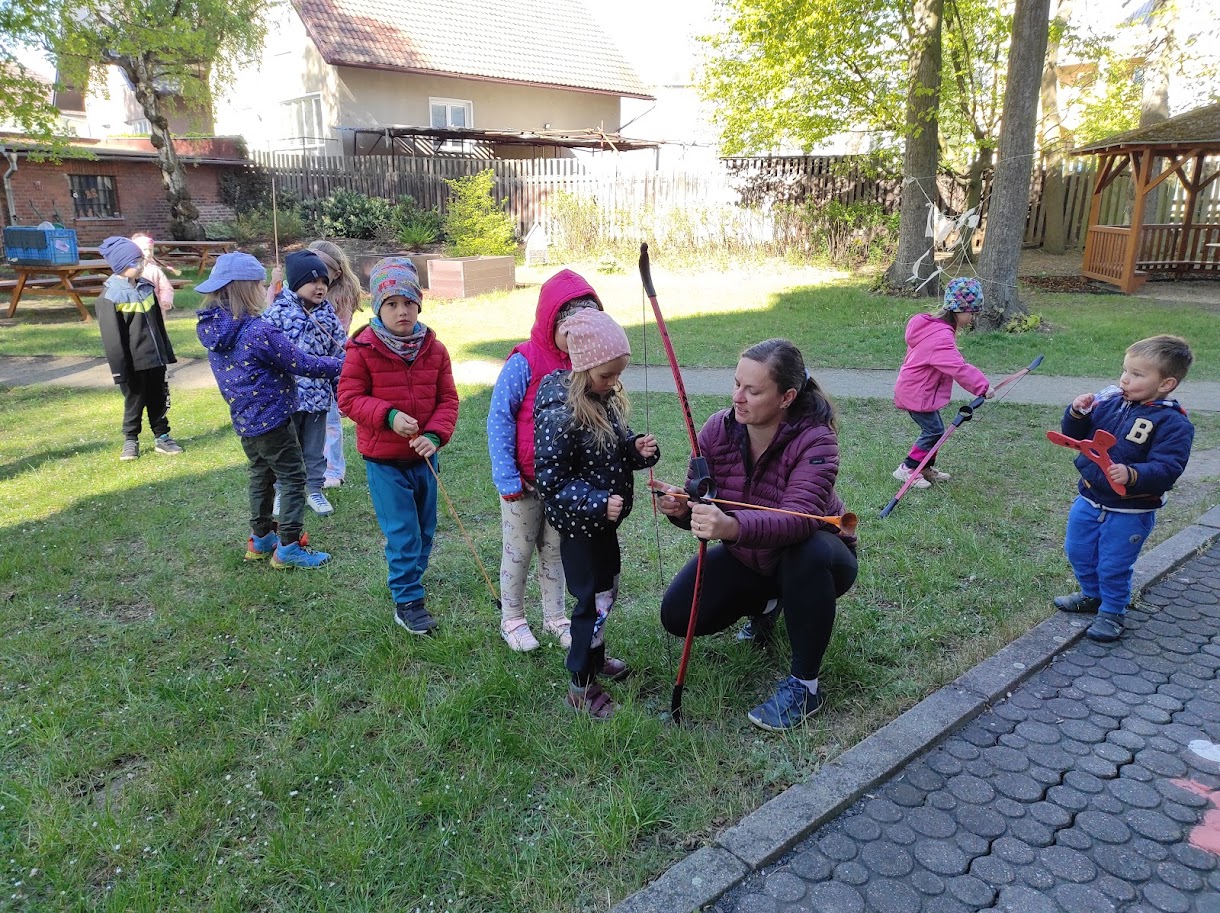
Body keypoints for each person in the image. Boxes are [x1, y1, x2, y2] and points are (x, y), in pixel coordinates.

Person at [656, 339, 858, 732]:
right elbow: (702, 498)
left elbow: (799, 519)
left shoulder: (816, 439)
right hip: (750, 556)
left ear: (787, 397)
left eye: (753, 390)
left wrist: (730, 527)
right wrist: (682, 508)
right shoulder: (717, 429)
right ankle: (768, 604)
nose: (738, 397)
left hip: (817, 560)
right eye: (737, 384)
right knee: (677, 615)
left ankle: (805, 686)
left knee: (808, 551)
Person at [534, 309, 659, 719]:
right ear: (582, 366)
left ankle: (596, 657)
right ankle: (580, 685)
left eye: (618, 374)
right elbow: (551, 479)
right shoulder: (560, 412)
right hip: (581, 529)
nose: (613, 382)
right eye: (607, 374)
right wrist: (595, 502)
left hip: (604, 525)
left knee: (607, 593)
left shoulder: (603, 399)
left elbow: (616, 448)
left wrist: (636, 449)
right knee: (591, 602)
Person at [195, 252, 343, 569]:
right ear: (245, 288)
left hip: (245, 418)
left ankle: (261, 538)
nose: (265, 290)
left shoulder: (216, 330)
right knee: (293, 477)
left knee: (261, 475)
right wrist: (344, 364)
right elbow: (302, 363)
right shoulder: (258, 331)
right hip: (273, 419)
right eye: (260, 284)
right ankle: (288, 546)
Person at [337, 258, 459, 635]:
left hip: (424, 459)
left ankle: (411, 578)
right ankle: (407, 600)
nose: (401, 311)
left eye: (408, 302)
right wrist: (388, 416)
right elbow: (348, 398)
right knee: (403, 532)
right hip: (385, 461)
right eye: (391, 304)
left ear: (419, 304)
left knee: (425, 529)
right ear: (378, 307)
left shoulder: (434, 350)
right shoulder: (362, 349)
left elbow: (447, 400)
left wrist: (434, 436)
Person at [487, 269, 603, 652]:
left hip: (562, 485)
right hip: (522, 483)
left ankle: (555, 617)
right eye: (571, 331)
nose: (579, 340)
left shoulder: (586, 365)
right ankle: (512, 619)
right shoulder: (525, 361)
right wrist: (506, 477)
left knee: (555, 551)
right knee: (519, 550)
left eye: (588, 330)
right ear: (552, 322)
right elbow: (500, 416)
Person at [1054, 334, 1195, 643]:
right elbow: (1077, 435)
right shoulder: (1111, 402)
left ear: (1166, 384)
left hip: (1131, 509)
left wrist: (1133, 474)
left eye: (1137, 374)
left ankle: (1113, 611)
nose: (1124, 379)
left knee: (1114, 563)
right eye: (1125, 370)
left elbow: (1169, 468)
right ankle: (1092, 595)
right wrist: (1077, 413)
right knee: (1078, 550)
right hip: (1090, 496)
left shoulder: (1173, 424)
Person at [263, 250, 347, 517]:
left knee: (313, 449)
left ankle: (313, 489)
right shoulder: (277, 314)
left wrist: (342, 394)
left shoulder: (328, 317)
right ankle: (283, 491)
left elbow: (340, 357)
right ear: (296, 282)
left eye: (324, 282)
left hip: (318, 399)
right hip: (285, 400)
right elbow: (263, 355)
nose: (320, 287)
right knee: (287, 449)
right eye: (313, 281)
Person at [892, 276, 992, 489]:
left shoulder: (935, 327)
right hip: (916, 393)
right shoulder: (941, 338)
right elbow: (958, 368)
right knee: (934, 432)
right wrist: (982, 387)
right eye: (971, 313)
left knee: (936, 431)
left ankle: (924, 467)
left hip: (919, 390)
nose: (972, 318)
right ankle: (908, 468)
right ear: (958, 310)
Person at [95, 235, 182, 461]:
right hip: (133, 365)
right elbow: (113, 340)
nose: (142, 265)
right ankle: (130, 440)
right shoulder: (109, 298)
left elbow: (158, 326)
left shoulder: (147, 288)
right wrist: (120, 371)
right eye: (136, 262)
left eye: (141, 260)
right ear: (121, 265)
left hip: (155, 359)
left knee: (158, 399)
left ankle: (162, 436)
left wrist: (165, 354)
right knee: (135, 401)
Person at [308, 240, 363, 490]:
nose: (315, 274)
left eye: (322, 269)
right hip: (303, 366)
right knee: (305, 421)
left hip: (329, 365)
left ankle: (333, 470)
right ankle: (310, 467)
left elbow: (335, 336)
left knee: (329, 420)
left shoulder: (341, 295)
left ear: (336, 273)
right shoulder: (300, 291)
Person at [131, 233, 178, 314]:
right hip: (136, 308)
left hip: (155, 308)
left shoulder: (155, 270)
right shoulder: (130, 270)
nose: (148, 253)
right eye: (145, 250)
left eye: (150, 250)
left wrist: (165, 300)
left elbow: (166, 288)